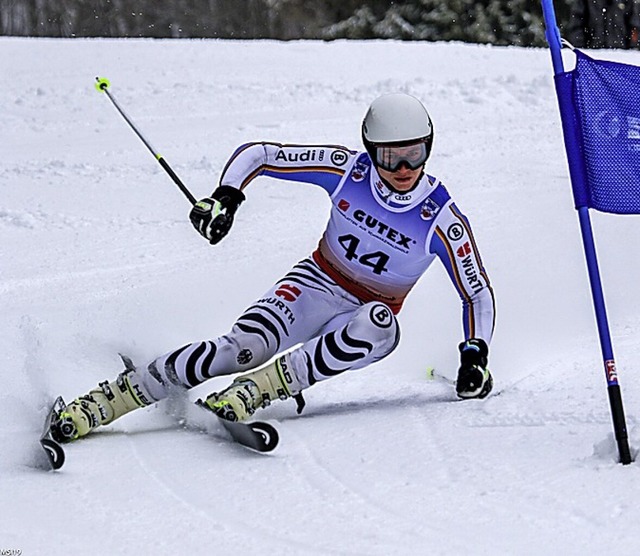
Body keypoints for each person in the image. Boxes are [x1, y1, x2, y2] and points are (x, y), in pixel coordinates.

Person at [52, 93, 496, 443]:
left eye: (414, 154)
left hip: (365, 316)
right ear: (370, 151)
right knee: (237, 351)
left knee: (379, 324)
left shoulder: (441, 219)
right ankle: (112, 399)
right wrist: (226, 197)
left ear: (428, 149)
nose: (402, 168)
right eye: (389, 157)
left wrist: (475, 352)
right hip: (314, 284)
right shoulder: (347, 170)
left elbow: (475, 290)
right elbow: (262, 153)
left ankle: (260, 390)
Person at [567, 0, 640, 49]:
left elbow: (634, 27)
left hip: (620, 54)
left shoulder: (627, 2)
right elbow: (576, 25)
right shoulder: (585, 2)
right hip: (592, 53)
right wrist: (580, 48)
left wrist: (632, 47)